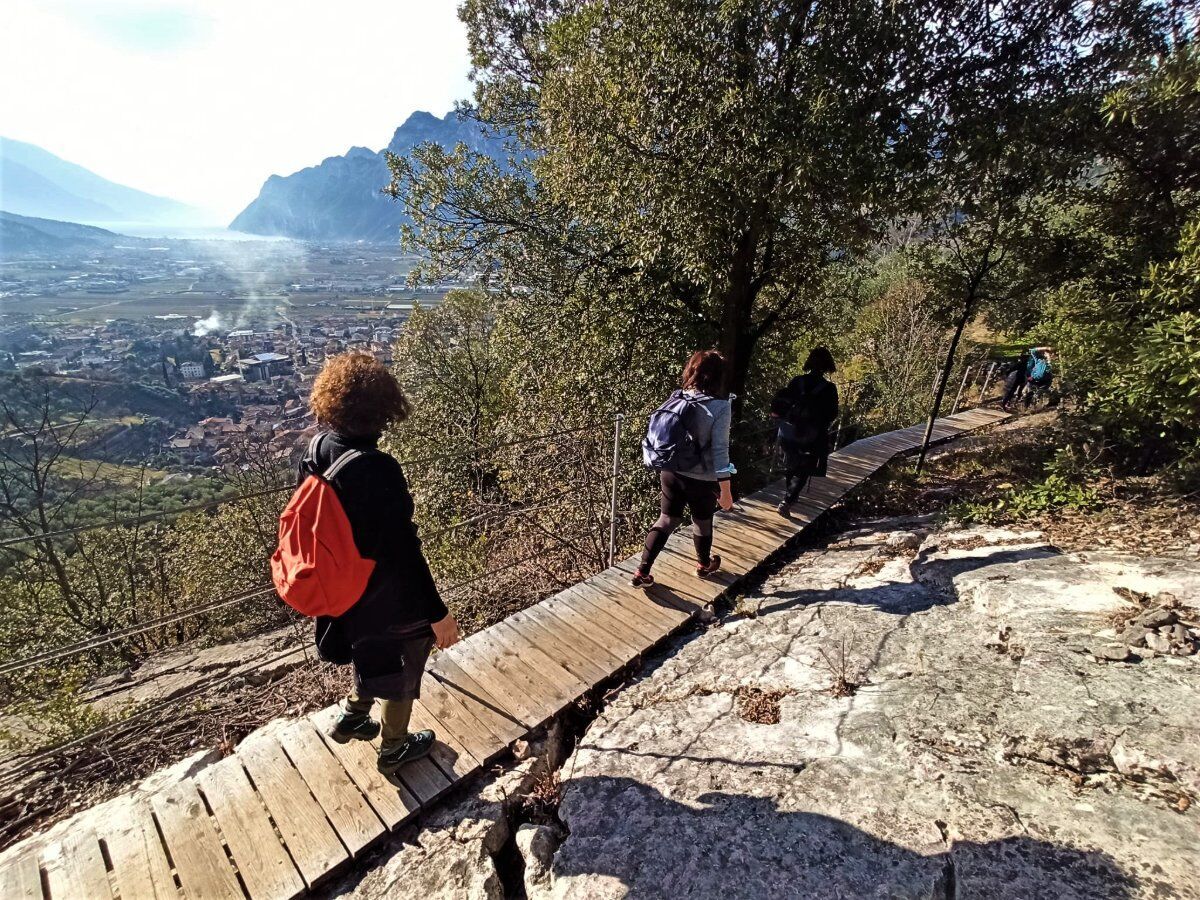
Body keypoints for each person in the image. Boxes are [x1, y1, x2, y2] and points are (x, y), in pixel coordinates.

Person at [303, 352, 460, 775]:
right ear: (382, 409)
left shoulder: (319, 448)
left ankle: (354, 716)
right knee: (405, 665)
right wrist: (437, 614)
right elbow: (404, 551)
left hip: (344, 590)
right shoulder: (377, 468)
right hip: (385, 594)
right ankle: (395, 746)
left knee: (369, 652)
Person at [632, 350, 735, 588]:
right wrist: (726, 490)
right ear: (718, 377)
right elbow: (720, 451)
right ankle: (702, 565)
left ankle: (641, 572)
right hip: (701, 477)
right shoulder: (720, 407)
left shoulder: (678, 396)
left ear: (692, 371)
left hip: (670, 470)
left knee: (666, 519)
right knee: (702, 519)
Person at [771, 347, 839, 515]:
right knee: (805, 467)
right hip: (812, 434)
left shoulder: (797, 382)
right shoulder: (829, 388)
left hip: (789, 431)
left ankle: (790, 496)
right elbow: (832, 414)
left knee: (791, 464)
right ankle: (788, 500)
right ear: (827, 366)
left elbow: (783, 403)